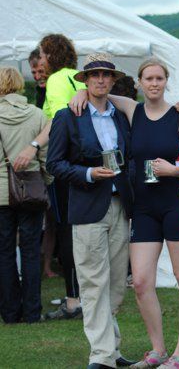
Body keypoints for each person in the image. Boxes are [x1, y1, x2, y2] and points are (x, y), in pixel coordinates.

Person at [71, 57, 179, 369]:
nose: (154, 84)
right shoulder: (133, 109)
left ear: (166, 81)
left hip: (176, 205)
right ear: (140, 83)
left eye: (159, 78)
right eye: (148, 79)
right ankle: (158, 349)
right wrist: (79, 94)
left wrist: (173, 169)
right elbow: (98, 92)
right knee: (141, 282)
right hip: (142, 208)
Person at [46, 54, 135, 368]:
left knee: (114, 285)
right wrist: (87, 174)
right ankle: (101, 355)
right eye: (94, 75)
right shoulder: (67, 116)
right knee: (93, 282)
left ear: (112, 80)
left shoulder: (121, 116)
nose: (100, 79)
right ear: (85, 79)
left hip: (120, 205)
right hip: (87, 207)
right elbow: (53, 164)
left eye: (106, 75)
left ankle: (112, 350)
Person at [31, 34, 87, 320]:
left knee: (66, 229)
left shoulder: (55, 81)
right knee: (83, 230)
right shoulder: (79, 77)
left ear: (51, 55)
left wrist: (33, 146)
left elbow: (57, 119)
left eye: (42, 54)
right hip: (85, 163)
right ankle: (84, 295)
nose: (39, 60)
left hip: (64, 163)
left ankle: (73, 300)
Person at [0, 67, 51, 324]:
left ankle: (9, 312)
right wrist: (47, 182)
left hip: (0, 194)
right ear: (21, 85)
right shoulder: (37, 114)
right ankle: (32, 312)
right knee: (31, 250)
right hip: (30, 189)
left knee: (4, 252)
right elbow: (45, 156)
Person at [29, 48, 58, 279]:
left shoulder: (56, 90)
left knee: (53, 220)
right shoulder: (39, 95)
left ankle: (47, 265)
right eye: (34, 72)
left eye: (41, 71)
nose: (38, 76)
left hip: (52, 162)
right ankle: (35, 265)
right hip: (39, 163)